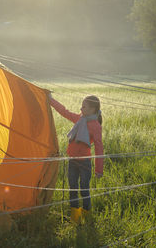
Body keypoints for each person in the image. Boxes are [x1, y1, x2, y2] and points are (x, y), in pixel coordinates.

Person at [49, 93, 104, 224]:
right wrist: (50, 100)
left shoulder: (95, 125)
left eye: (84, 107)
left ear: (93, 109)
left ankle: (86, 214)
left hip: (85, 163)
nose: (81, 109)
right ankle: (75, 216)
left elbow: (99, 148)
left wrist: (99, 170)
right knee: (72, 188)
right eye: (81, 106)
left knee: (84, 188)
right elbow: (64, 111)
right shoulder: (79, 119)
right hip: (72, 161)